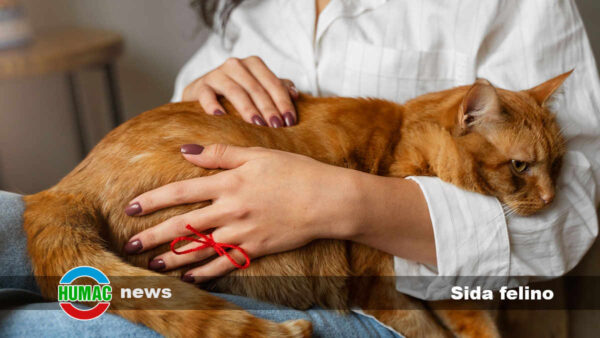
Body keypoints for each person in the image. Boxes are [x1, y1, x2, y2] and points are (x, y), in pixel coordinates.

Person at [1, 0, 599, 336]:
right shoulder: (250, 8)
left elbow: (566, 225)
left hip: (374, 306)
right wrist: (205, 92)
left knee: (53, 329)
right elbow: (185, 130)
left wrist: (339, 201)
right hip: (189, 247)